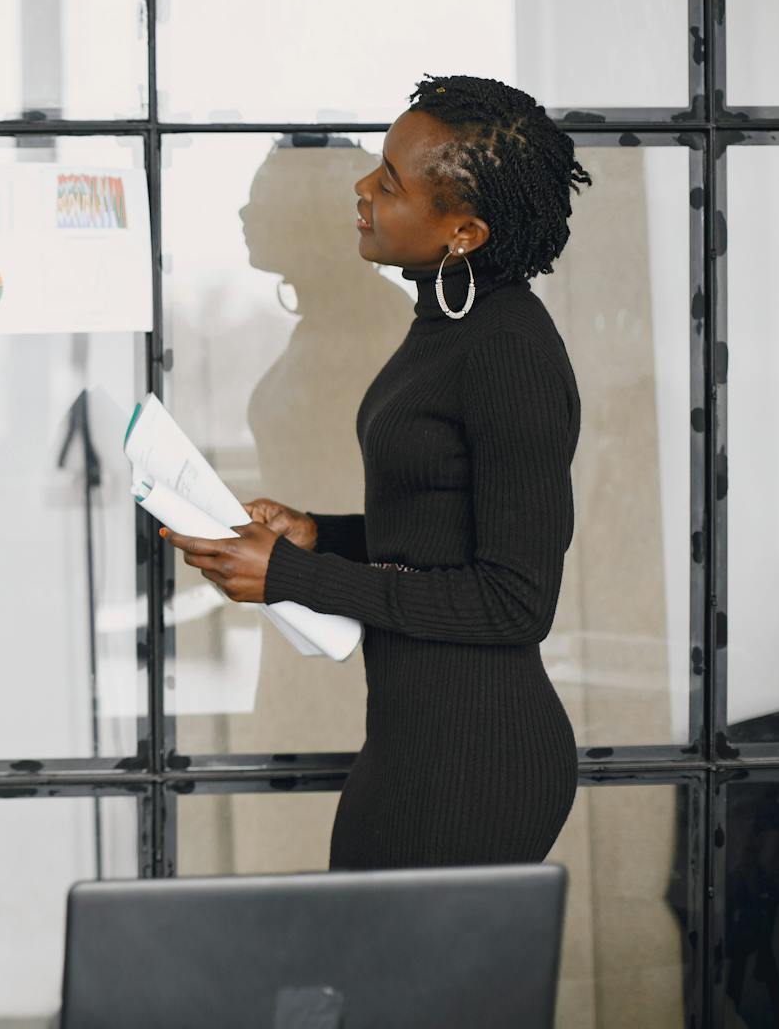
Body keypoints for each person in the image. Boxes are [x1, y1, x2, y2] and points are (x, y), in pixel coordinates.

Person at [164, 75, 590, 869]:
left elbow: (515, 601)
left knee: (405, 991)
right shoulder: (447, 319)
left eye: (389, 181)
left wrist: (294, 574)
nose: (362, 190)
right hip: (418, 735)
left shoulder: (509, 350)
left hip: (479, 758)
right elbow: (439, 533)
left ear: (463, 230)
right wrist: (318, 535)